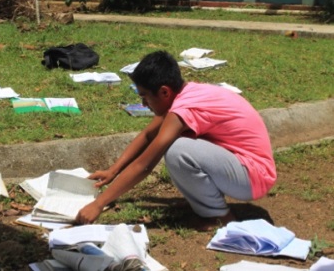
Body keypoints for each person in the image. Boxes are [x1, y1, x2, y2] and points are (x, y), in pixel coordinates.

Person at [75, 50, 277, 230]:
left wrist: (98, 204)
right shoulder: (184, 94)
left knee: (178, 150)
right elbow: (147, 135)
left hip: (253, 176)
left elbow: (145, 165)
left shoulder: (184, 108)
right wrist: (113, 170)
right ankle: (207, 205)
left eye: (145, 96)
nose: (143, 104)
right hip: (245, 168)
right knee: (179, 145)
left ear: (164, 92)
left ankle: (219, 217)